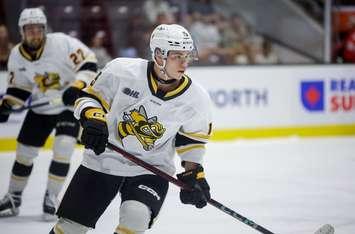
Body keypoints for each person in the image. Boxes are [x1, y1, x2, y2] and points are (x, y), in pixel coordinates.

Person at [49, 23, 212, 234]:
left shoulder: (196, 98)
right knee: (69, 228)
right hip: (103, 160)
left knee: (136, 218)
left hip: (151, 168)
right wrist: (94, 119)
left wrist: (195, 174)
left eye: (187, 55)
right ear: (159, 56)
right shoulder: (122, 71)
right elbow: (89, 98)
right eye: (177, 56)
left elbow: (192, 140)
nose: (184, 62)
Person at [0, 8, 98, 220]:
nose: (34, 33)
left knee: (63, 148)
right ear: (22, 32)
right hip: (41, 108)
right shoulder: (17, 54)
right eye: (29, 29)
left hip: (67, 107)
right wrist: (7, 105)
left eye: (38, 29)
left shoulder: (62, 43)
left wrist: (76, 86)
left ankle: (52, 197)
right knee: (24, 153)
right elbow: (19, 88)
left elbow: (89, 63)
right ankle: (14, 197)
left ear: (44, 30)